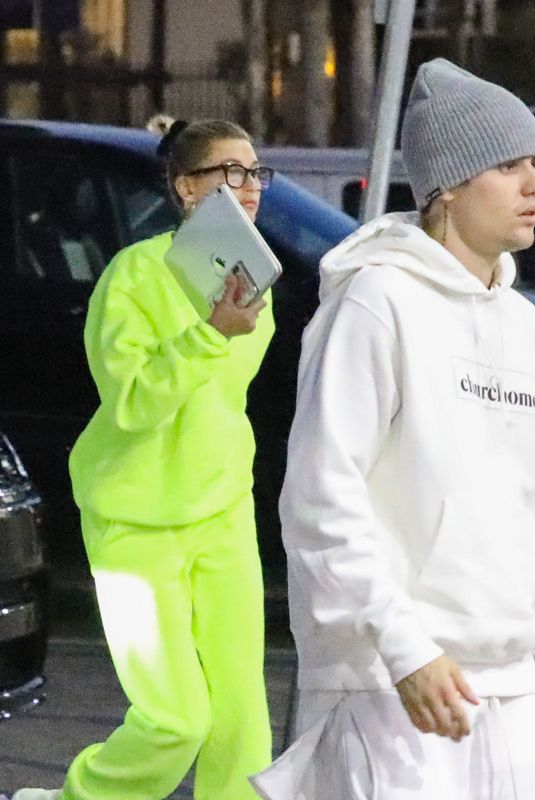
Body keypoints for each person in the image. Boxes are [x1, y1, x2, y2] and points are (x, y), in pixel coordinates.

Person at [251, 59, 535, 799]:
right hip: (389, 688)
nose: (531, 183)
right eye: (507, 165)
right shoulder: (375, 302)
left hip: (513, 687)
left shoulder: (519, 322)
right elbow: (319, 499)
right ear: (447, 185)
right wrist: (406, 651)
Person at [14, 119, 275, 800]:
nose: (249, 189)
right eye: (231, 173)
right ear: (187, 187)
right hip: (134, 516)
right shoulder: (133, 275)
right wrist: (210, 333)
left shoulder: (253, 281)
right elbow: (131, 403)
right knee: (175, 718)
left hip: (222, 507)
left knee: (241, 710)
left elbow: (224, 399)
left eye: (256, 173)